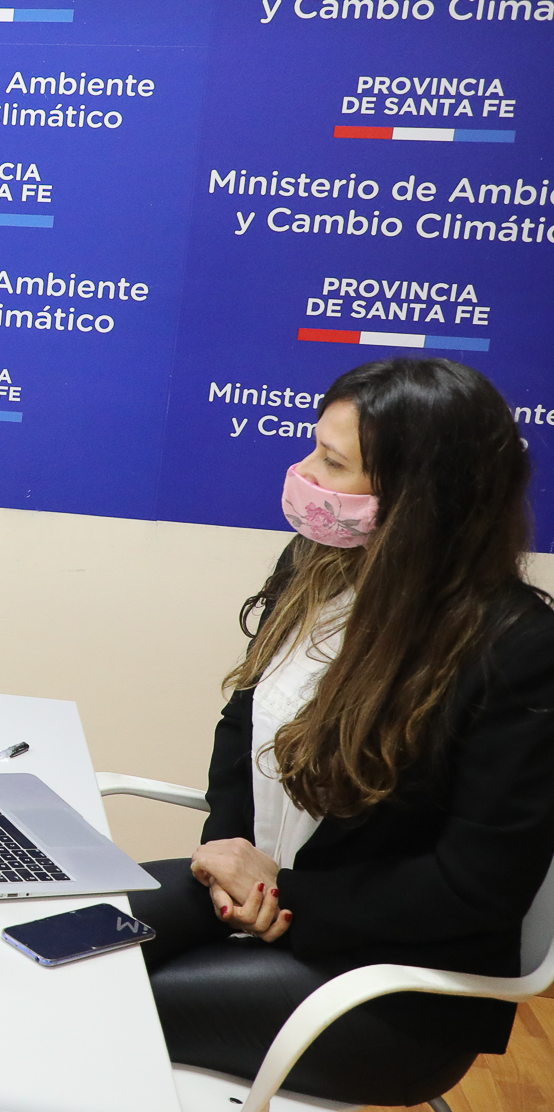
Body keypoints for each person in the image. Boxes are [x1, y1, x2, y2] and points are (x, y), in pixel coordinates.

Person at [131, 357, 554, 1106]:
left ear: (420, 494)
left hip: (392, 990)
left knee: (99, 1005)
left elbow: (473, 887)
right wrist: (229, 854)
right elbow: (243, 723)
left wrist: (283, 893)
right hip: (260, 901)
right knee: (48, 946)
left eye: (333, 461)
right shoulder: (317, 563)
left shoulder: (516, 648)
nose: (303, 472)